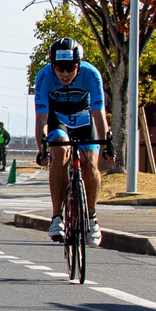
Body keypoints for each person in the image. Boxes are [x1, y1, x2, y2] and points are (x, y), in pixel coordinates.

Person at [33, 37, 114, 246]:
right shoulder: (43, 77)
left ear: (78, 65)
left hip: (85, 119)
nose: (66, 73)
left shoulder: (91, 75)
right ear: (53, 66)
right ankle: (56, 217)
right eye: (60, 68)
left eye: (71, 68)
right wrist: (42, 149)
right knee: (58, 153)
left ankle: (92, 217)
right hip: (57, 119)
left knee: (90, 162)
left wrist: (107, 144)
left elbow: (99, 113)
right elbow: (41, 118)